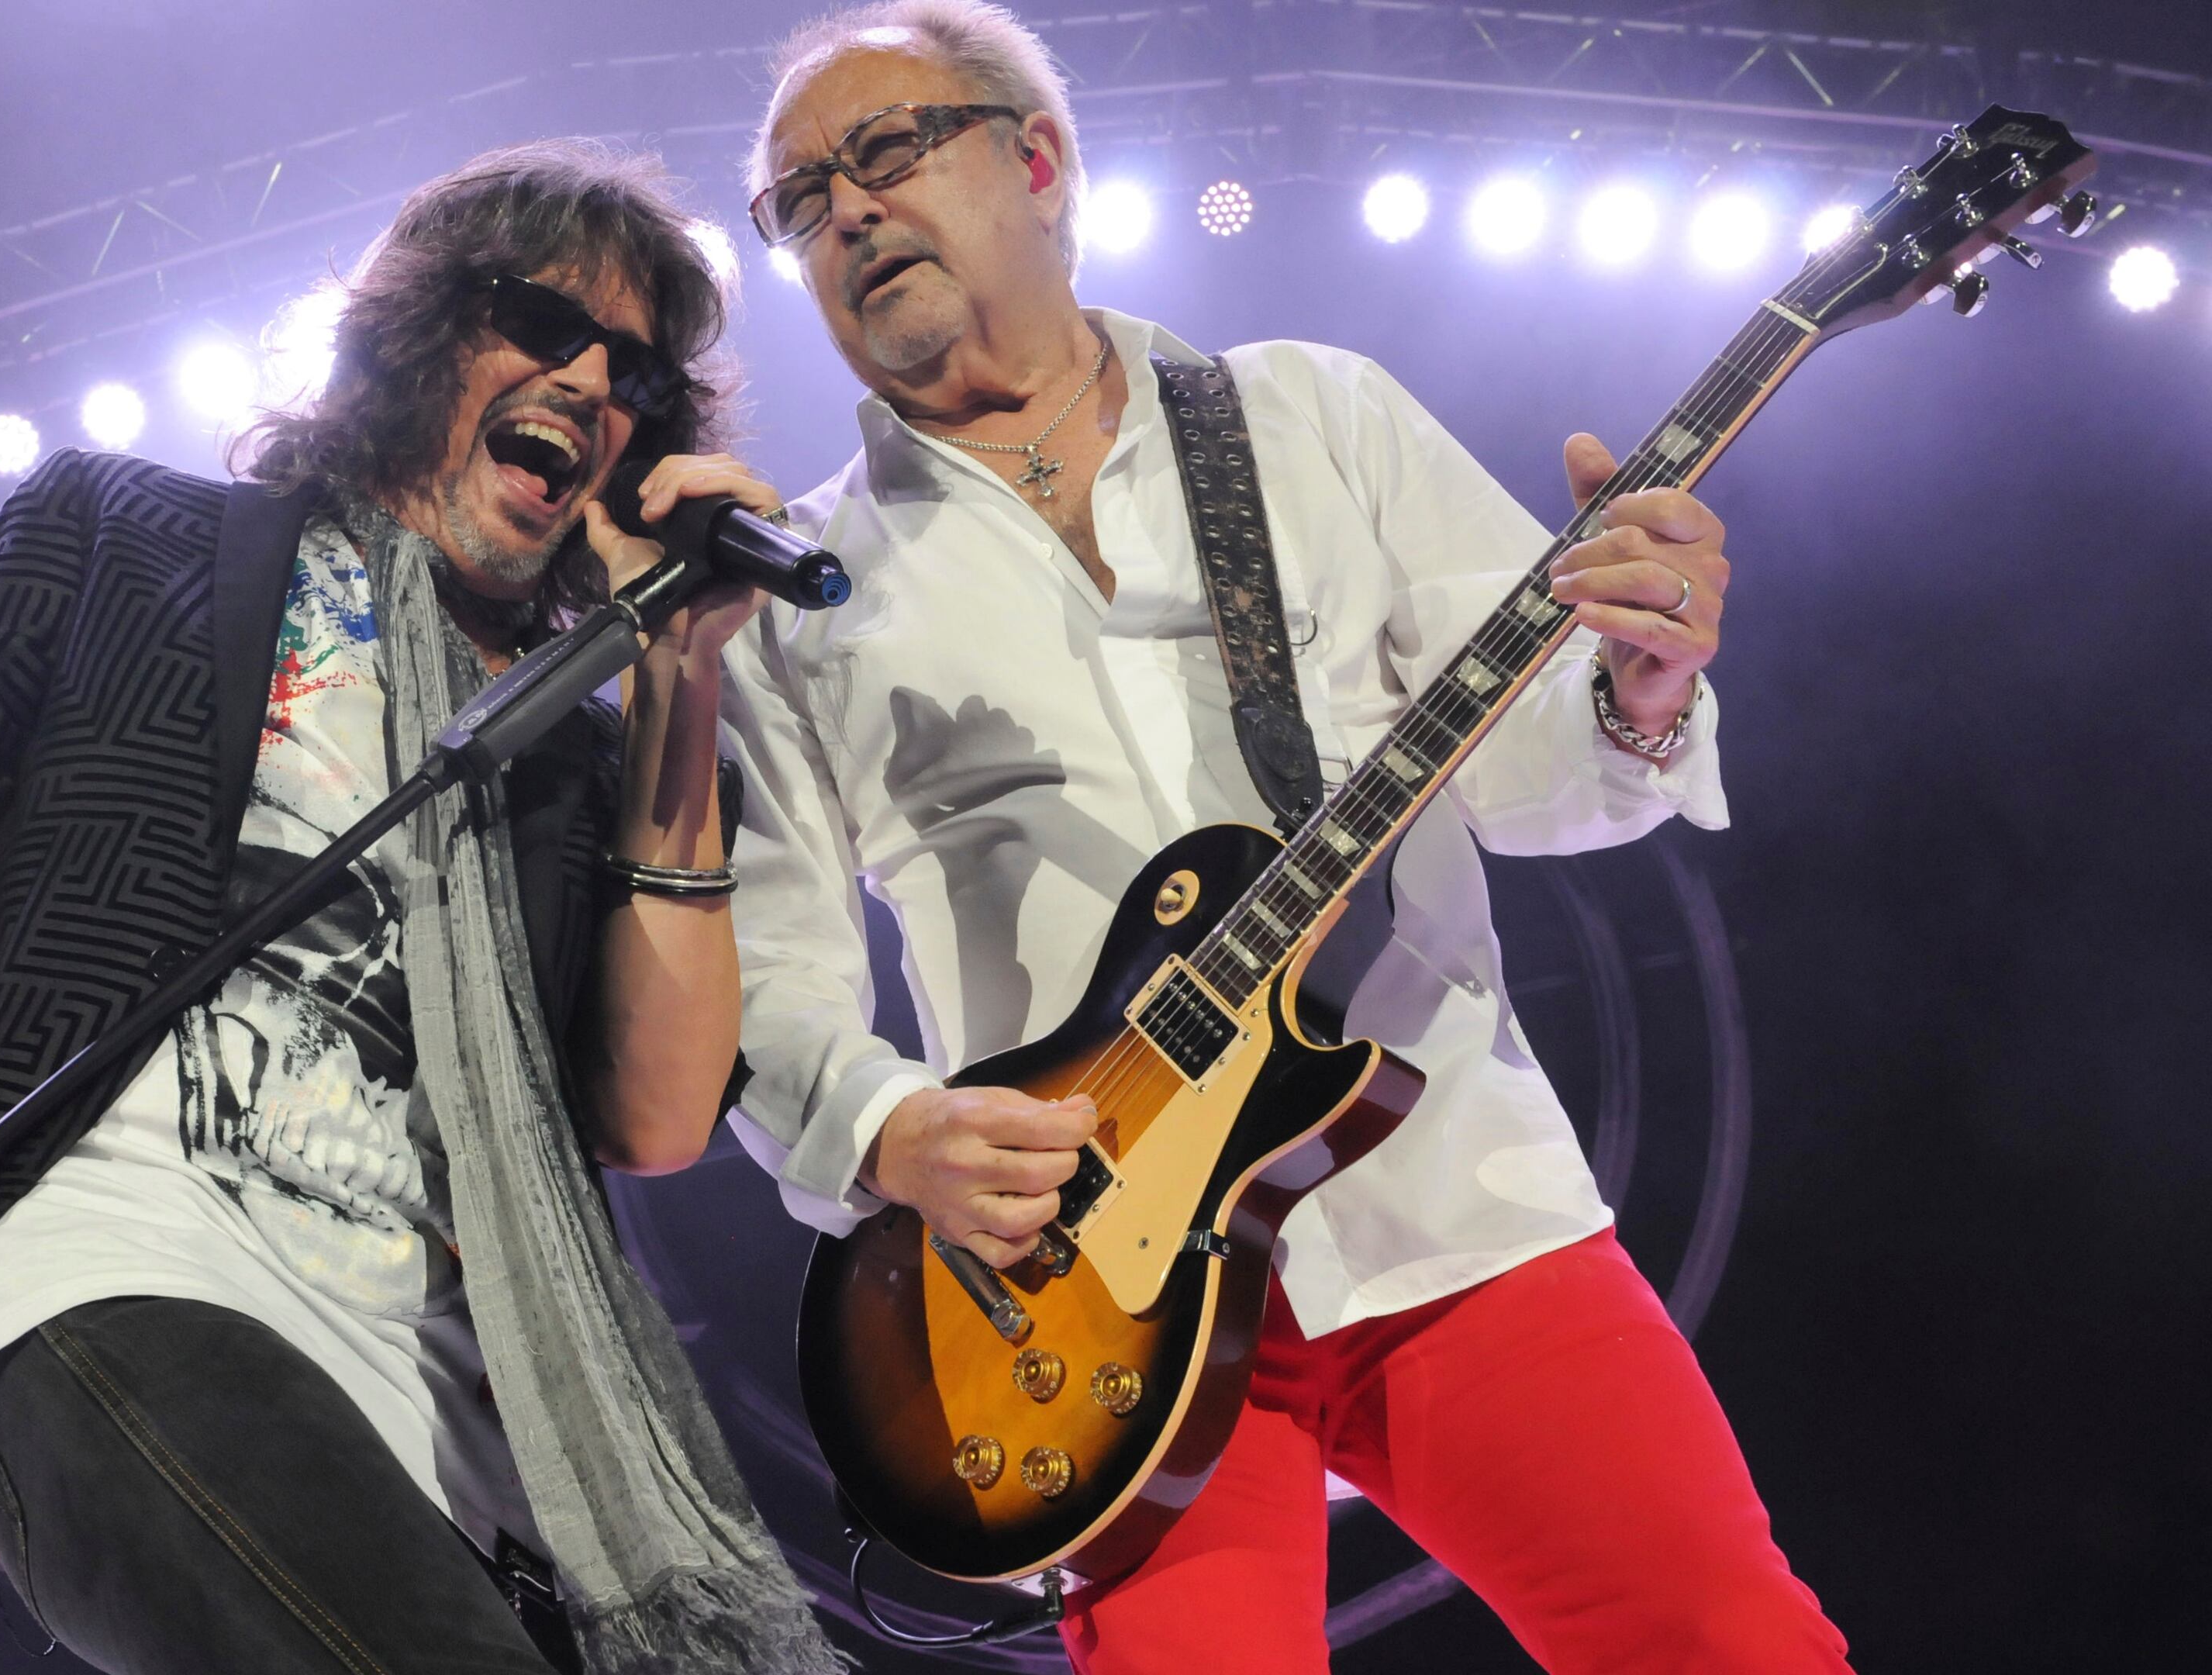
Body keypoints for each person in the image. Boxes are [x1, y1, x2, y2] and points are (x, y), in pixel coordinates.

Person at [0, 140, 841, 1675]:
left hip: (461, 1420)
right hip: (104, 1267)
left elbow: (654, 1115)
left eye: (634, 368)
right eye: (541, 321)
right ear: (412, 328)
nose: (588, 377)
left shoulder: (585, 743)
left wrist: (680, 672)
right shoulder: (125, 535)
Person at [718, 5, 1851, 1671]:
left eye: (885, 153)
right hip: (1086, 1304)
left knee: (1732, 1647)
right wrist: (894, 1137)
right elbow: (765, 974)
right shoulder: (793, 591)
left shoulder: (1309, 415)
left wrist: (1639, 681)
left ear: (1038, 163)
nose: (847, 213)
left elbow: (1541, 779)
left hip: (1444, 1187)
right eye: (801, 202)